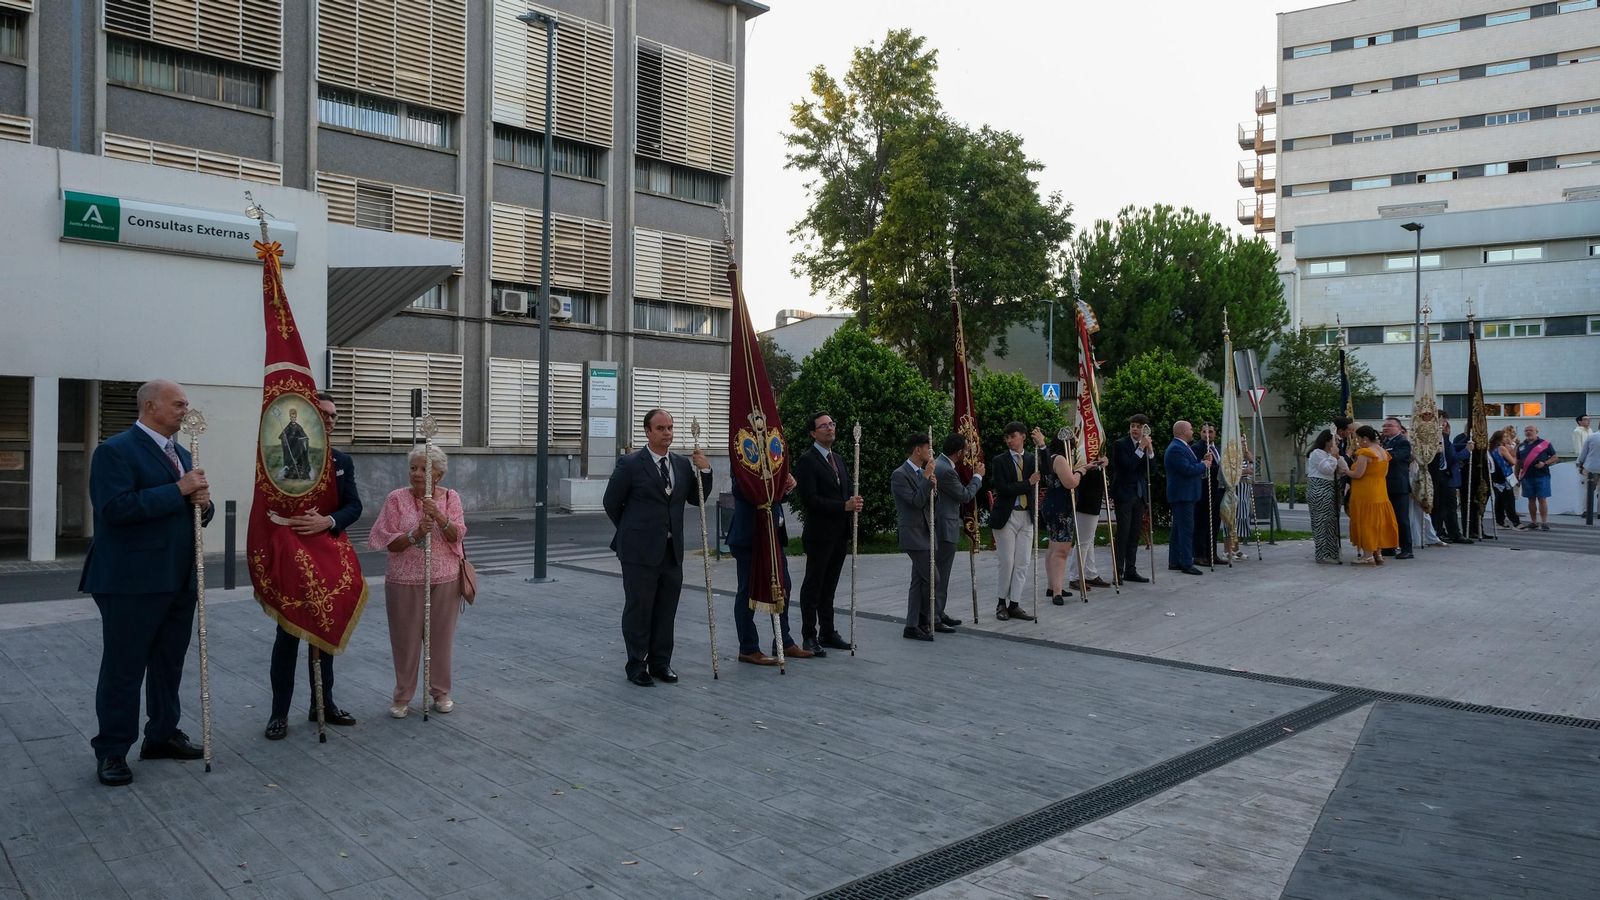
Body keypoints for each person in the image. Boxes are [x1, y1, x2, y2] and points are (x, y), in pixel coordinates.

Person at [81, 379, 213, 786]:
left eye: (186, 404)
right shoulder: (115, 451)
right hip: (131, 581)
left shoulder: (183, 453)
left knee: (168, 664)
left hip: (177, 578)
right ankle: (112, 749)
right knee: (124, 667)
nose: (185, 411)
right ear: (151, 406)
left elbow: (191, 512)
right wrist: (179, 489)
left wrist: (204, 504)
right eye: (178, 404)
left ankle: (162, 735)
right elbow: (114, 509)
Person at [265, 391, 363, 741]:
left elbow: (353, 506)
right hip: (293, 556)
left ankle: (323, 703)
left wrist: (328, 521)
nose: (330, 420)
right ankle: (278, 713)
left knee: (324, 628)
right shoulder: (281, 456)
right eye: (323, 413)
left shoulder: (341, 460)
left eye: (334, 415)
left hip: (326, 554)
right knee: (288, 635)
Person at [602, 409, 712, 685]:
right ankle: (637, 664)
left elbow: (696, 499)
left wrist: (705, 470)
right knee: (639, 609)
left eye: (670, 428)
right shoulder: (630, 464)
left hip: (671, 552)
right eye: (661, 428)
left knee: (666, 609)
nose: (667, 433)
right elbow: (611, 502)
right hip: (639, 552)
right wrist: (632, 529)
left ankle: (661, 663)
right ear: (648, 431)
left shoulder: (681, 464)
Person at [369, 444, 467, 715]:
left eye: (424, 469)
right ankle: (402, 696)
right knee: (405, 641)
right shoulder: (395, 499)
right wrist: (415, 534)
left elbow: (457, 534)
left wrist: (438, 515)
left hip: (445, 578)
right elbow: (388, 541)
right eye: (413, 468)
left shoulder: (451, 497)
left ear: (438, 474)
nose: (417, 473)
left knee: (441, 640)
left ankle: (440, 692)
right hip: (403, 580)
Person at [792, 411, 862, 653]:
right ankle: (809, 635)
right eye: (823, 426)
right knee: (814, 585)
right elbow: (810, 500)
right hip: (819, 534)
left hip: (839, 533)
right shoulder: (807, 461)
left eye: (831, 423)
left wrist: (853, 502)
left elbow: (843, 492)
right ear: (813, 433)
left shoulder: (838, 459)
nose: (830, 428)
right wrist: (843, 506)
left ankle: (828, 631)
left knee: (829, 586)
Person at [729, 473, 813, 665]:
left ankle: (783, 640)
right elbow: (740, 488)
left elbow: (775, 497)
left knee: (784, 586)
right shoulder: (742, 456)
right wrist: (769, 483)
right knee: (748, 591)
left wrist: (785, 486)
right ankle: (748, 647)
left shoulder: (774, 458)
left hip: (773, 536)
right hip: (751, 535)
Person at [988, 421, 1041, 621]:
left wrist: (1042, 444)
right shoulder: (1000, 461)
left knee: (1023, 562)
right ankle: (1001, 602)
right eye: (1007, 437)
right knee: (1007, 562)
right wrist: (1028, 483)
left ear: (1023, 436)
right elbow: (1003, 488)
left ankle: (1015, 604)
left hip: (1026, 515)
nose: (1009, 440)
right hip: (1007, 516)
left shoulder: (1031, 458)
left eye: (1013, 436)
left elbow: (1047, 469)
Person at [933, 433, 985, 627]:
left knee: (940, 572)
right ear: (958, 452)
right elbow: (964, 495)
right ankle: (934, 615)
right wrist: (978, 476)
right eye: (965, 450)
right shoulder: (946, 470)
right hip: (945, 528)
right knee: (941, 572)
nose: (967, 454)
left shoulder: (940, 464)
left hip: (942, 525)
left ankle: (939, 611)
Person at [892, 432, 939, 641]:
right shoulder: (900, 474)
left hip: (926, 532)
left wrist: (933, 486)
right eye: (928, 448)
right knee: (933, 578)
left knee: (919, 580)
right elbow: (916, 502)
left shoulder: (922, 472)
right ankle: (922, 618)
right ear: (918, 450)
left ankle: (913, 625)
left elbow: (931, 502)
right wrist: (927, 479)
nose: (930, 452)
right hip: (913, 533)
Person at [1041, 431, 1086, 604]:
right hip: (1061, 508)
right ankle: (1057, 592)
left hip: (1052, 505)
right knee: (1061, 550)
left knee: (1053, 546)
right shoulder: (1059, 459)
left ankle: (1052, 586)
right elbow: (1070, 482)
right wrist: (1080, 472)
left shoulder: (1049, 457)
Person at [1108, 415, 1154, 584]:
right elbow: (1128, 466)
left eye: (1139, 426)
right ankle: (1118, 571)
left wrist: (1150, 451)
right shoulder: (1121, 444)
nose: (1135, 429)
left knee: (1134, 533)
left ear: (1145, 430)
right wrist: (1140, 448)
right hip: (1124, 493)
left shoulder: (1144, 445)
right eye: (1133, 426)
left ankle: (1130, 570)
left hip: (1139, 494)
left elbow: (1152, 470)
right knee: (1124, 533)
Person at [1347, 425, 1399, 566]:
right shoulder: (1383, 452)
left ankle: (1367, 556)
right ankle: (1378, 554)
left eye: (1358, 439)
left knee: (1366, 523)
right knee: (1377, 523)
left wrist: (1345, 470)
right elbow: (1384, 473)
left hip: (1365, 493)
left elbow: (1358, 474)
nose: (1358, 442)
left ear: (1365, 438)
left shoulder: (1365, 453)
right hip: (1380, 492)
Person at [1164, 420, 1210, 576]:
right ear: (1183, 432)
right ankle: (1186, 563)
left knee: (1178, 529)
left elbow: (1190, 465)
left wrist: (1202, 461)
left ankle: (1174, 560)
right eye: (1190, 429)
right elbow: (1187, 469)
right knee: (1186, 530)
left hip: (1185, 494)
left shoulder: (1183, 447)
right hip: (1183, 495)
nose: (1192, 431)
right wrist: (1204, 465)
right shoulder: (1176, 448)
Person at [1068, 448, 1112, 591]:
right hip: (1085, 498)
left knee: (1089, 539)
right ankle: (1075, 576)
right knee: (1083, 540)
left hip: (1093, 497)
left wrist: (1102, 463)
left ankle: (1089, 573)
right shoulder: (1079, 454)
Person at [1306, 429, 1349, 564]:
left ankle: (1332, 552)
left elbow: (1344, 469)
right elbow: (1327, 469)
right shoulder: (1317, 453)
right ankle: (1322, 554)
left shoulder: (1331, 455)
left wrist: (1338, 456)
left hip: (1332, 489)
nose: (1337, 443)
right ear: (1327, 441)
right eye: (1335, 440)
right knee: (1321, 522)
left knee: (1332, 522)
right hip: (1319, 489)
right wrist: (1333, 457)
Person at [1428, 414, 1469, 545]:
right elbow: (1453, 457)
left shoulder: (1445, 438)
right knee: (1440, 506)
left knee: (1449, 506)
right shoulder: (1430, 438)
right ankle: (1439, 531)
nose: (1444, 425)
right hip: (1438, 475)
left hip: (1447, 476)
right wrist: (1467, 451)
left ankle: (1454, 533)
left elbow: (1451, 454)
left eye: (1445, 423)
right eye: (1442, 422)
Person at [1379, 417, 1414, 559]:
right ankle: (1389, 547)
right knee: (1387, 518)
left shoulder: (1403, 442)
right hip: (1385, 485)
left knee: (1401, 519)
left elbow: (1395, 457)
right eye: (1384, 426)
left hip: (1398, 486)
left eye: (1390, 426)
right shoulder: (1384, 442)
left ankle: (1407, 549)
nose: (1386, 428)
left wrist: (1378, 453)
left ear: (1399, 428)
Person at [1189, 423, 1223, 567]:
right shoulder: (1196, 448)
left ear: (1215, 433)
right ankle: (1199, 555)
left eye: (1210, 432)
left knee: (1214, 523)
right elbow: (1198, 467)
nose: (1207, 434)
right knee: (1202, 523)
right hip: (1203, 491)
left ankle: (1212, 554)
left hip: (1217, 490)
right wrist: (1217, 468)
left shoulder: (1218, 448)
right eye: (1204, 431)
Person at [1517, 425, 1556, 531]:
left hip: (1542, 475)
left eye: (1531, 430)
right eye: (1526, 430)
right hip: (1527, 476)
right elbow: (1518, 462)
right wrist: (1517, 476)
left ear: (1536, 431)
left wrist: (1545, 463)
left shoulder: (1545, 444)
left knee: (1542, 498)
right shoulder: (1521, 446)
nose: (1528, 432)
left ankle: (1544, 522)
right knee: (1531, 499)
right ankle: (1534, 522)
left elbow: (1555, 457)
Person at [1489, 429, 1527, 531]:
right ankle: (1516, 522)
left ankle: (1499, 521)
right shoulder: (1501, 448)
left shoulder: (1492, 448)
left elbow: (1509, 455)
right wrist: (1516, 459)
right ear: (1500, 438)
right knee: (1509, 500)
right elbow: (1513, 461)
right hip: (1505, 476)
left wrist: (1515, 446)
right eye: (1505, 436)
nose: (1507, 438)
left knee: (1500, 500)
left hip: (1496, 476)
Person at [278, 407, 312, 480]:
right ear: (290, 418)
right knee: (290, 458)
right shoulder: (288, 426)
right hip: (290, 445)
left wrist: (305, 438)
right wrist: (284, 437)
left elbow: (303, 434)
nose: (293, 418)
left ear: (296, 418)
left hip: (297, 446)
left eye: (294, 417)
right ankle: (290, 471)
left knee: (300, 453)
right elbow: (283, 434)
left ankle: (302, 470)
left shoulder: (298, 427)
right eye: (292, 417)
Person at [1578, 429, 1600, 525]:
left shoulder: (1591, 437)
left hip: (1591, 467)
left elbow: (1584, 452)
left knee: (1589, 489)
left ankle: (1586, 510)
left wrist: (1580, 464)